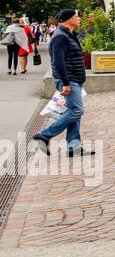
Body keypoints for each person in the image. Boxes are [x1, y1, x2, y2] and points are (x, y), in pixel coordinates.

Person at [32, 9, 93, 157]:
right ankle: (45, 135)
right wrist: (65, 83)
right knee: (77, 110)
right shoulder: (60, 37)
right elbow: (58, 62)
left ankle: (74, 147)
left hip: (75, 79)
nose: (79, 19)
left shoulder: (68, 34)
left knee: (74, 112)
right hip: (68, 80)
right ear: (68, 20)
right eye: (76, 16)